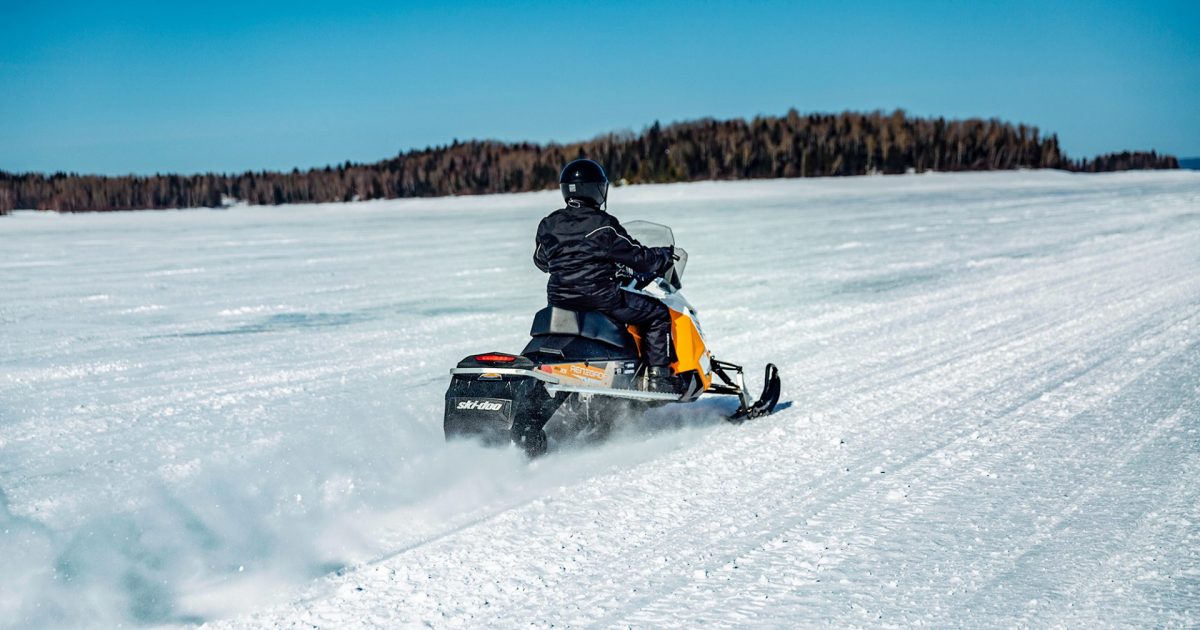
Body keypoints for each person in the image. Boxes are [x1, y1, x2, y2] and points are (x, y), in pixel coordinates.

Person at [533, 159, 679, 393]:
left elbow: (541, 261)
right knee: (658, 314)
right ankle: (658, 377)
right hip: (600, 298)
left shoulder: (549, 224)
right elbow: (638, 257)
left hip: (560, 301)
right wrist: (663, 256)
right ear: (597, 189)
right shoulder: (604, 225)